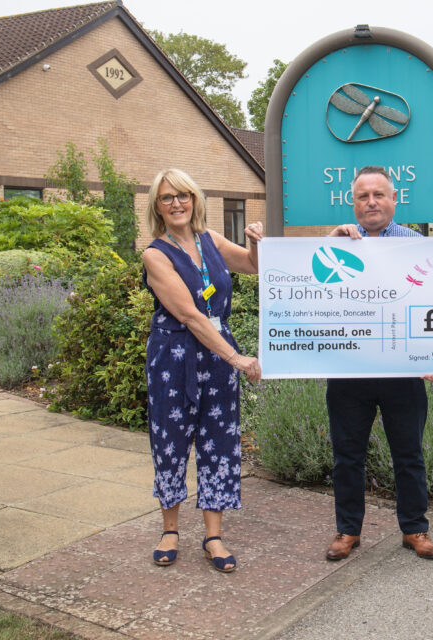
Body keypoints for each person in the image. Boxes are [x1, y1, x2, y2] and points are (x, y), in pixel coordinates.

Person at [142, 168, 263, 573]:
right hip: (175, 355)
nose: (176, 203)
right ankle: (170, 530)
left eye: (183, 195)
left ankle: (213, 537)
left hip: (217, 353)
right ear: (157, 207)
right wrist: (237, 358)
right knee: (171, 440)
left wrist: (255, 243)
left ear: (195, 199)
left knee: (220, 440)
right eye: (167, 197)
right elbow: (190, 315)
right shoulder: (156, 254)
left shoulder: (209, 239)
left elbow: (252, 266)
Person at [322, 165, 433, 561]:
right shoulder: (336, 244)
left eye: (378, 195)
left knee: (408, 454)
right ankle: (347, 530)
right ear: (352, 202)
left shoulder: (417, 245)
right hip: (349, 369)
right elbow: (308, 289)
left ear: (394, 199)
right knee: (347, 456)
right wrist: (329, 245)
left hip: (402, 370)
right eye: (363, 196)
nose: (371, 202)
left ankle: (415, 528)